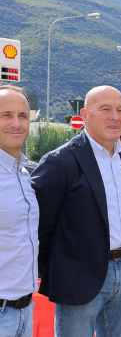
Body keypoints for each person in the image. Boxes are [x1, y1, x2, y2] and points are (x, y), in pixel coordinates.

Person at [32, 85, 121, 337]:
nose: (115, 117)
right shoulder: (60, 161)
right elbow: (40, 225)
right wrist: (58, 270)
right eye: (105, 109)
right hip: (77, 278)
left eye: (120, 110)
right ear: (84, 114)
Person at [0, 86, 39, 337]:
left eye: (22, 116)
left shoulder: (26, 174)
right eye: (6, 115)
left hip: (25, 309)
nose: (16, 123)